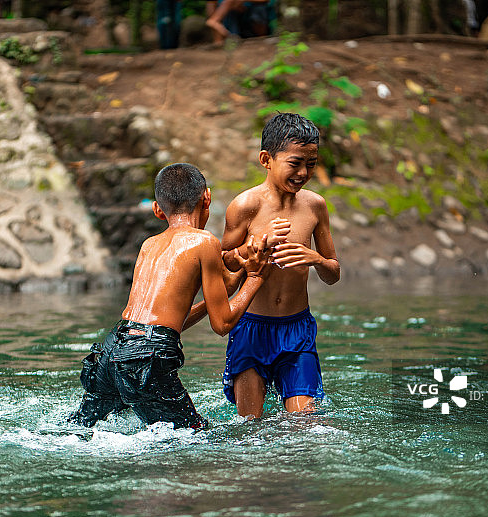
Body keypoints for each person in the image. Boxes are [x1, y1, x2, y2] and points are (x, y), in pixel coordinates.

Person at [68, 163, 271, 430]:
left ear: (157, 209)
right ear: (206, 197)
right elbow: (222, 325)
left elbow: (166, 323)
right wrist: (256, 278)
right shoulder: (203, 241)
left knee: (79, 430)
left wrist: (241, 276)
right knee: (198, 436)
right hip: (146, 358)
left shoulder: (148, 245)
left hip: (111, 351)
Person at [219, 113, 340, 419]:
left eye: (311, 164)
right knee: (250, 428)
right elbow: (222, 264)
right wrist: (254, 245)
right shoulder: (246, 206)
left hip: (297, 330)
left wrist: (317, 260)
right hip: (252, 328)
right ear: (266, 159)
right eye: (295, 163)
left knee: (306, 425)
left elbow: (333, 274)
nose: (303, 173)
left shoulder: (315, 206)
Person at [206, 0, 273, 45]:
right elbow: (211, 19)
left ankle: (227, 38)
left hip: (247, 14)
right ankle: (222, 40)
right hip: (229, 16)